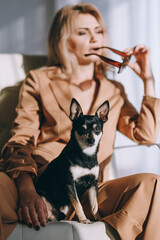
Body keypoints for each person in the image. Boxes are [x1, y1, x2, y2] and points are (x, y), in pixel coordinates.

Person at [0, 3, 160, 240]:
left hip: (91, 188)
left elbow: (146, 135)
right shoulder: (40, 80)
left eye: (98, 31)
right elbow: (21, 138)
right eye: (83, 32)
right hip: (43, 181)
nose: (94, 38)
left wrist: (147, 78)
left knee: (153, 184)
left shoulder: (113, 90)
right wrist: (27, 190)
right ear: (64, 40)